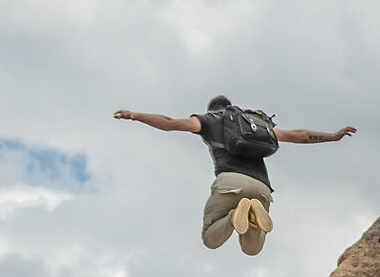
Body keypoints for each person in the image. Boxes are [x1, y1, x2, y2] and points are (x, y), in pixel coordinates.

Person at [113, 96, 356, 255]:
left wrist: (136, 115)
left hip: (231, 182)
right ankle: (251, 211)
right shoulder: (258, 124)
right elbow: (299, 135)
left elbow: (169, 122)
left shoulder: (209, 120)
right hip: (262, 187)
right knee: (252, 249)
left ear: (211, 110)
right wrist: (333, 136)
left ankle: (232, 216)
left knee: (210, 238)